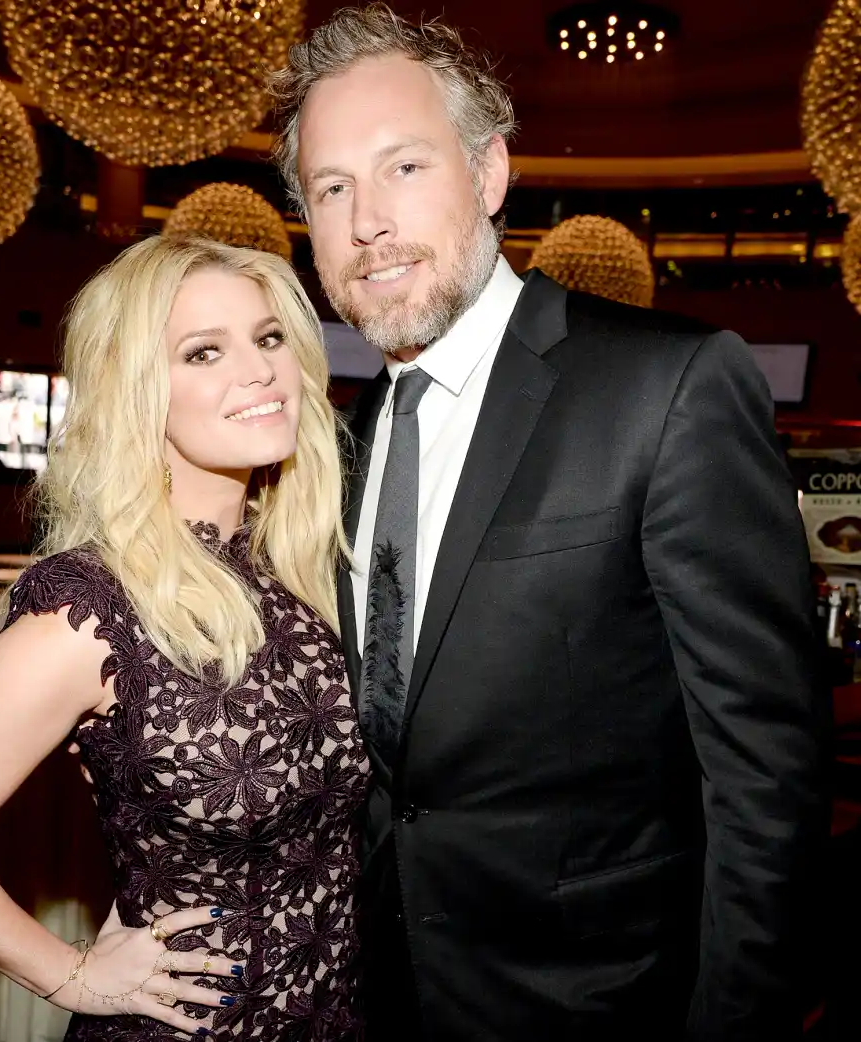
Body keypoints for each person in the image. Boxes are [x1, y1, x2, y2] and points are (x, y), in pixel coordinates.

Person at [269, 6, 828, 1041]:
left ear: (487, 174)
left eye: (402, 168)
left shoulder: (667, 386)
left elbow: (767, 777)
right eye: (330, 189)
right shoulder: (348, 436)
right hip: (385, 991)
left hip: (601, 1001)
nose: (365, 224)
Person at [0, 236, 368, 1042]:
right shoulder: (89, 611)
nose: (260, 369)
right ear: (136, 393)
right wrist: (72, 976)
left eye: (268, 338)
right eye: (204, 351)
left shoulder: (301, 575)